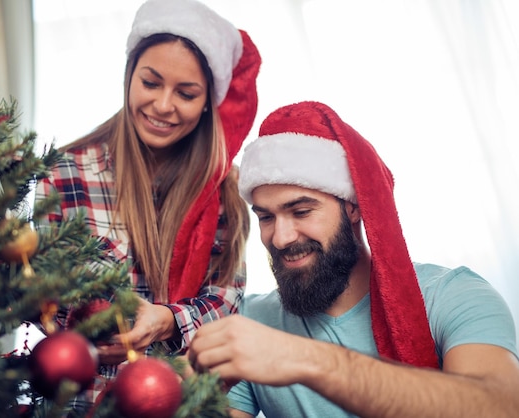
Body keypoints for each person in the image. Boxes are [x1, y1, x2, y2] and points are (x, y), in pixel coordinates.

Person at [188, 101, 519, 417]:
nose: (281, 237)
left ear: (353, 206)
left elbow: (501, 408)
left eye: (301, 211)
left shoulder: (454, 296)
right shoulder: (250, 322)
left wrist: (303, 358)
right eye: (266, 217)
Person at [35, 0, 260, 410]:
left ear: (209, 100)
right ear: (129, 78)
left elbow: (227, 301)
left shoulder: (222, 189)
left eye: (186, 93)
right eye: (151, 83)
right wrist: (92, 325)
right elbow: (38, 288)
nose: (163, 105)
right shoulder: (67, 173)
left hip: (182, 402)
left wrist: (166, 321)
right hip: (79, 403)